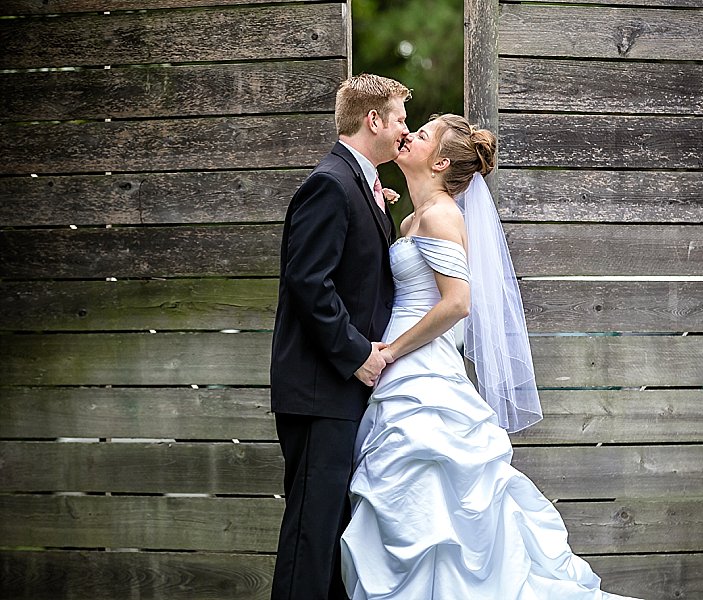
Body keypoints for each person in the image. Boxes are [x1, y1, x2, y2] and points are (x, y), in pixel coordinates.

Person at [340, 114, 644, 599]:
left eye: (420, 135)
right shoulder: (411, 219)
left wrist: (392, 351)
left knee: (432, 503)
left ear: (439, 162)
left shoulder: (441, 214)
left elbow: (458, 302)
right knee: (405, 505)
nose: (408, 135)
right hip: (400, 373)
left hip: (419, 371)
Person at [269, 73, 411, 600]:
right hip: (319, 389)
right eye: (399, 118)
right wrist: (357, 356)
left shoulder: (360, 184)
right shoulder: (329, 183)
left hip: (338, 391)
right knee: (312, 533)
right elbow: (308, 282)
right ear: (373, 120)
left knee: (332, 535)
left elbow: (356, 278)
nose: (404, 129)